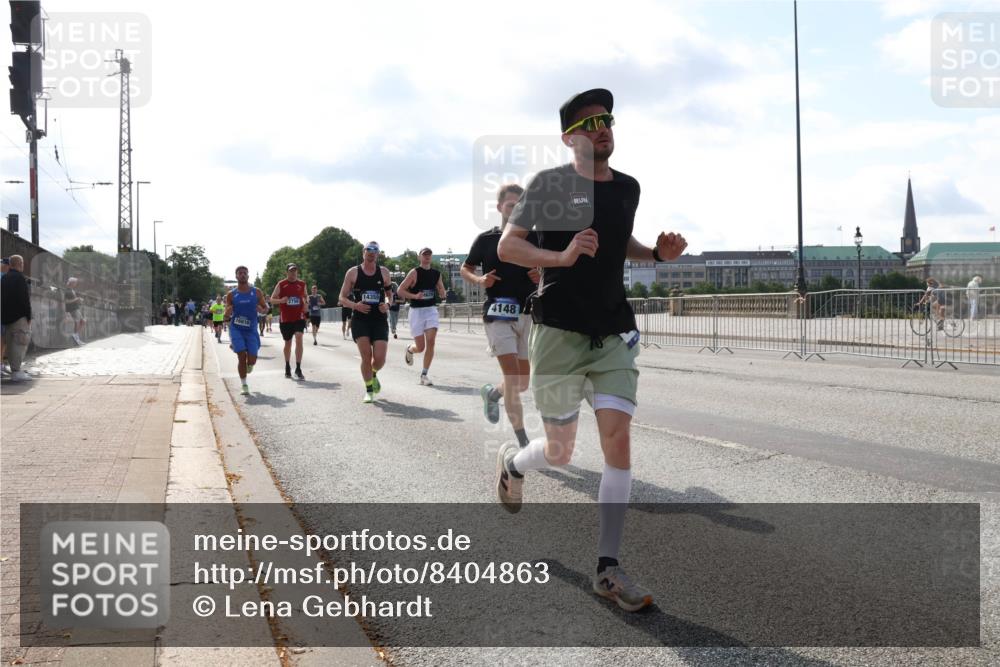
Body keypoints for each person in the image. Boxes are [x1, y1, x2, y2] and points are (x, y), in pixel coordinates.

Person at [495, 88, 688, 612]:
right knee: (559, 452)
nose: (603, 127)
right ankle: (514, 465)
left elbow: (620, 236)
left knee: (617, 439)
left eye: (608, 118)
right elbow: (508, 247)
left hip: (612, 332)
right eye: (591, 121)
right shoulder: (551, 184)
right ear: (570, 137)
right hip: (558, 331)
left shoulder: (628, 188)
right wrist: (560, 256)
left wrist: (656, 254)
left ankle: (607, 568)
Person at [462, 183, 540, 449]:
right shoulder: (486, 239)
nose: (517, 209)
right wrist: (480, 279)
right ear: (499, 208)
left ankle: (492, 394)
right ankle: (522, 439)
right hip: (498, 314)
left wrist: (541, 276)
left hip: (528, 314)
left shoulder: (535, 237)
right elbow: (465, 267)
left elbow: (555, 268)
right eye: (511, 205)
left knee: (523, 383)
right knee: (512, 377)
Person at [338, 242, 392, 403]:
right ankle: (369, 390)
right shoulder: (353, 273)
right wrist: (356, 305)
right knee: (366, 357)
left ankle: (373, 373)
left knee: (380, 358)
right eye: (369, 249)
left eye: (375, 250)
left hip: (379, 319)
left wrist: (387, 304)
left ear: (378, 254)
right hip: (360, 320)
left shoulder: (384, 272)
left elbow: (390, 294)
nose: (371, 253)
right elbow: (341, 298)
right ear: (364, 252)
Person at [398, 248, 446, 385]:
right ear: (419, 257)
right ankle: (410, 349)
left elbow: (441, 288)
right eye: (424, 255)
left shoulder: (436, 274)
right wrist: (414, 296)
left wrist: (442, 293)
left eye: (429, 255)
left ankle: (424, 375)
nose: (427, 257)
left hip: (431, 310)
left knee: (431, 341)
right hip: (416, 311)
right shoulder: (414, 273)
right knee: (420, 347)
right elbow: (400, 290)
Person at [225, 266, 268, 396]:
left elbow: (265, 307)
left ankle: (249, 363)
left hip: (251, 330)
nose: (242, 275)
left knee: (252, 359)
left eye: (245, 273)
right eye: (240, 273)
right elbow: (227, 315)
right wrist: (227, 314)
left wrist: (262, 310)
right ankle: (244, 384)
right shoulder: (231, 295)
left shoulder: (257, 292)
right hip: (236, 328)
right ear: (236, 276)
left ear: (248, 276)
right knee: (241, 355)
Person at [271, 262, 308, 379]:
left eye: (295, 270)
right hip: (286, 318)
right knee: (288, 342)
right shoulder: (281, 284)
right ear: (287, 272)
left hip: (299, 317)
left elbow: (305, 296)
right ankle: (287, 365)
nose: (293, 273)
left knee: (299, 337)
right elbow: (272, 300)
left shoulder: (302, 284)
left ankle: (298, 367)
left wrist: (306, 304)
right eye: (291, 271)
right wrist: (281, 300)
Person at [1, 255, 33, 382]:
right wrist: (29, 316)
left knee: (10, 343)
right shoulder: (20, 278)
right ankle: (16, 371)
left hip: (6, 317)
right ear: (20, 263)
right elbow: (24, 299)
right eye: (22, 263)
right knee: (20, 343)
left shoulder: (4, 278)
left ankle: (14, 369)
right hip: (19, 317)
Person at [63, 277, 86, 345]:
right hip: (72, 309)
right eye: (75, 282)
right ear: (72, 283)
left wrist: (78, 300)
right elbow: (66, 301)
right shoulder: (67, 291)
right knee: (78, 322)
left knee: (83, 321)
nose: (76, 284)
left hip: (76, 308)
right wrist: (77, 299)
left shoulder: (72, 290)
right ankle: (76, 338)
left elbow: (73, 300)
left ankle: (76, 336)